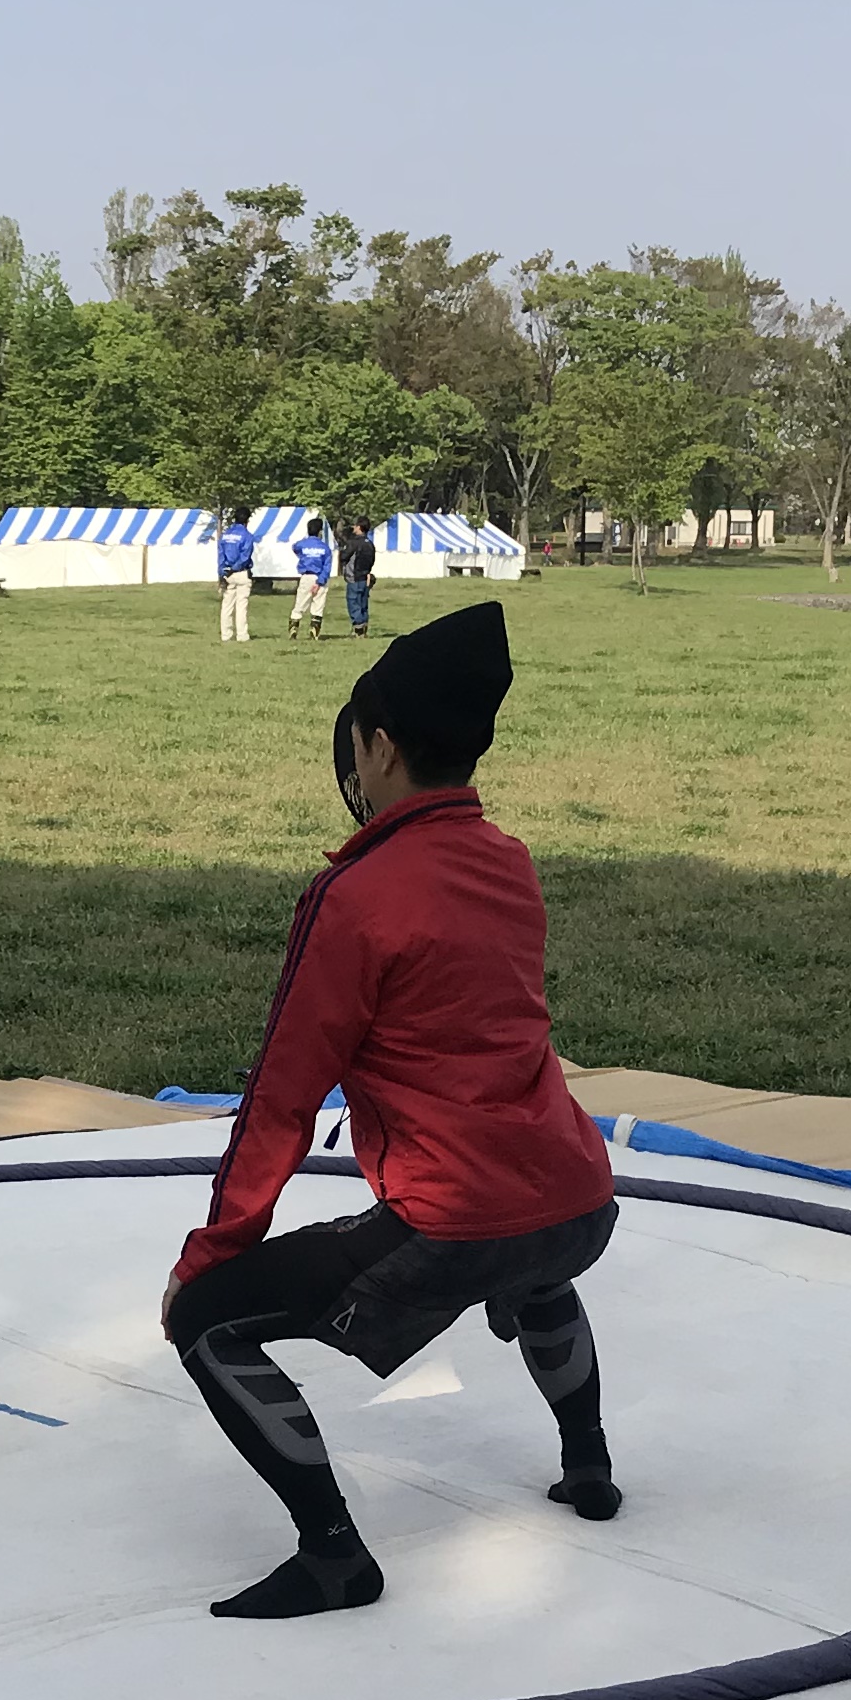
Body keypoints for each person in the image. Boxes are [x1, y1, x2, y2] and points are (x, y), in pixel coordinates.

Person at [159, 602, 620, 1618]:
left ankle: (333, 1554)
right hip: (579, 1201)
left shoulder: (357, 896)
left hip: (454, 1224)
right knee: (533, 1263)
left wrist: (212, 1253)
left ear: (378, 748)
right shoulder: (507, 859)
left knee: (205, 1322)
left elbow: (282, 1096)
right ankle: (588, 1464)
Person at [287, 511, 333, 634]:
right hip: (320, 577)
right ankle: (314, 629)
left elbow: (295, 547)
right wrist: (320, 582)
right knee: (318, 605)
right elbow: (327, 567)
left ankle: (294, 627)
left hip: (306, 576)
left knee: (300, 603)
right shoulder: (325, 548)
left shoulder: (302, 545)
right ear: (320, 531)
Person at [213, 507, 255, 642]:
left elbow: (221, 555)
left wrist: (223, 571)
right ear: (247, 520)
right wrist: (235, 568)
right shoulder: (247, 536)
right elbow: (245, 557)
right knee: (241, 605)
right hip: (241, 572)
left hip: (227, 573)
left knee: (227, 605)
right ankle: (242, 635)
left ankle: (226, 634)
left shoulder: (225, 535)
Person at [341, 515, 376, 635]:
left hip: (354, 577)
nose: (354, 527)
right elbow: (372, 560)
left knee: (353, 602)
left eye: (355, 525)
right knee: (363, 603)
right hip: (365, 576)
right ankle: (364, 625)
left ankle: (358, 627)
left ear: (359, 527)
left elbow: (344, 556)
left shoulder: (354, 543)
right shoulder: (370, 544)